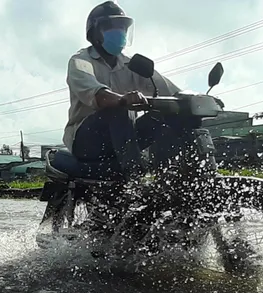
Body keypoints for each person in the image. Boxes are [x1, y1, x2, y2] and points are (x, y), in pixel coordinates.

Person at [64, 1, 182, 179]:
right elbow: (98, 95)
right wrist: (123, 100)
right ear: (94, 33)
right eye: (112, 27)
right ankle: (134, 180)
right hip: (87, 141)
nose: (119, 32)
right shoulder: (80, 62)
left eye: (122, 27)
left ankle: (168, 177)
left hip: (124, 137)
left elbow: (168, 89)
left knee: (165, 116)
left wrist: (194, 100)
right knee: (118, 111)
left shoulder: (131, 64)